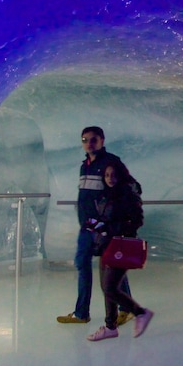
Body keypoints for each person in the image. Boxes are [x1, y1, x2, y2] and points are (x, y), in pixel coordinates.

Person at [57, 126, 134, 325]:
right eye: (85, 139)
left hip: (104, 227)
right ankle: (82, 312)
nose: (88, 143)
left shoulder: (111, 162)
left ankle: (125, 307)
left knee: (111, 267)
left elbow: (126, 190)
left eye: (93, 139)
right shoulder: (86, 165)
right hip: (87, 226)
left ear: (102, 140)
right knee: (83, 264)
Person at [86, 161, 154, 341]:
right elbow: (106, 217)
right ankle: (110, 327)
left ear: (121, 175)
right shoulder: (106, 194)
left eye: (113, 175)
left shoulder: (127, 194)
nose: (110, 179)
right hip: (105, 245)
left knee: (109, 288)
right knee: (106, 288)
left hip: (119, 246)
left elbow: (137, 221)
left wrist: (110, 228)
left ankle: (140, 313)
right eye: (107, 175)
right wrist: (97, 225)